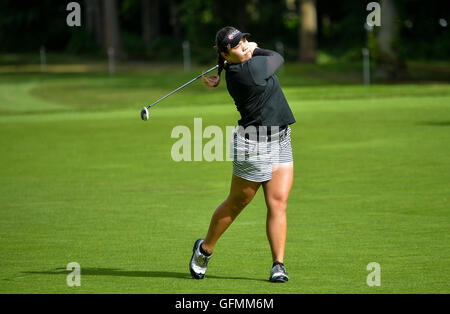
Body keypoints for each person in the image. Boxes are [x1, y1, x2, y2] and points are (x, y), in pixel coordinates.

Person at [189, 26, 296, 282]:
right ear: (227, 55)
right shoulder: (247, 71)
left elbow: (249, 58)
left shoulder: (235, 65)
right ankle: (204, 250)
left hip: (281, 139)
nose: (245, 45)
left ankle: (278, 265)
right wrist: (257, 48)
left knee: (278, 202)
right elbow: (278, 57)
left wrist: (240, 54)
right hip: (254, 146)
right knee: (237, 203)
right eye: (238, 45)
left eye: (245, 40)